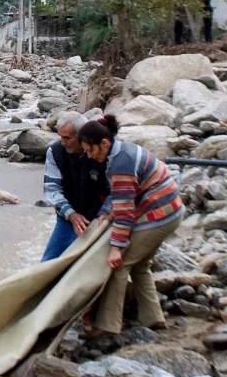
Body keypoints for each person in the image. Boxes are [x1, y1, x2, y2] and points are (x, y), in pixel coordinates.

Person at [78, 115, 185, 336]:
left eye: (91, 150)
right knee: (140, 263)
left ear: (104, 143)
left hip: (159, 213)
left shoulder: (121, 163)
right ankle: (153, 318)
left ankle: (107, 325)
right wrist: (108, 212)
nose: (89, 155)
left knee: (120, 265)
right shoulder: (121, 151)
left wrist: (116, 248)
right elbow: (120, 196)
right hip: (170, 208)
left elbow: (125, 212)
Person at [40, 111, 111, 262]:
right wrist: (71, 214)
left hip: (99, 217)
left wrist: (103, 215)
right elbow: (52, 189)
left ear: (81, 136)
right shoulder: (55, 152)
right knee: (48, 263)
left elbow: (116, 191)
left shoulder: (100, 152)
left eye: (67, 137)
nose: (63, 142)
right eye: (60, 136)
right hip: (68, 217)